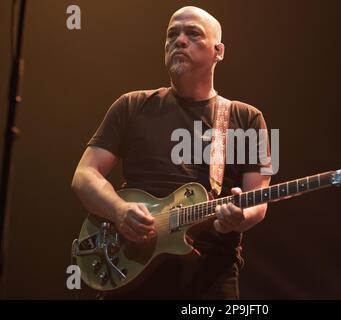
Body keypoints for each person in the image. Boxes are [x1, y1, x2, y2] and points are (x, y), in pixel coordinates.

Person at [71, 6, 272, 299]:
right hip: (131, 263)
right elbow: (83, 175)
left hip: (209, 274)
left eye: (193, 34)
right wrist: (118, 210)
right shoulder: (130, 105)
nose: (179, 40)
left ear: (219, 51)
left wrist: (240, 217)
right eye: (172, 34)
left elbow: (260, 200)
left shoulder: (250, 118)